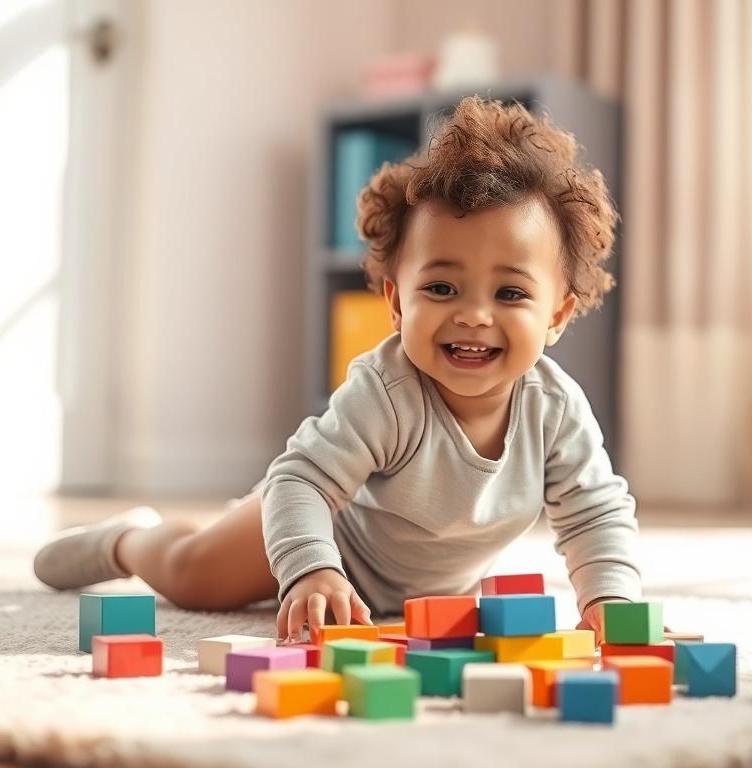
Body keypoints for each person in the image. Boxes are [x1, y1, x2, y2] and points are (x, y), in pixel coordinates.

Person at [33, 95, 642, 645]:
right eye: (442, 287)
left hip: (420, 588)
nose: (475, 316)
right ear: (398, 302)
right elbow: (301, 482)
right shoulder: (388, 389)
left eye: (510, 294)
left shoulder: (556, 409)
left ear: (558, 315)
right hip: (324, 529)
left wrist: (610, 600)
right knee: (195, 577)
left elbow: (594, 511)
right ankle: (130, 537)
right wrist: (313, 567)